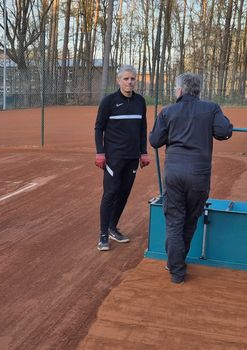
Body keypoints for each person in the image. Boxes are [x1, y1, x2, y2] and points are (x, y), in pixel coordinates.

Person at [149, 73, 232, 284]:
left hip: (174, 172)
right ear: (198, 90)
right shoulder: (211, 108)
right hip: (198, 174)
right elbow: (223, 131)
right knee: (190, 220)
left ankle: (177, 269)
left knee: (174, 221)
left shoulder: (168, 111)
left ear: (179, 90)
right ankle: (176, 262)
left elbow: (155, 141)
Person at [94, 64, 151, 252]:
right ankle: (103, 235)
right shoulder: (109, 102)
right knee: (111, 193)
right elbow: (98, 128)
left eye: (132, 78)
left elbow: (142, 128)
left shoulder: (140, 102)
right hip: (113, 157)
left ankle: (112, 227)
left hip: (132, 157)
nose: (129, 82)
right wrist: (100, 153)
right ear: (118, 80)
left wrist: (143, 152)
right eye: (125, 78)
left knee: (124, 193)